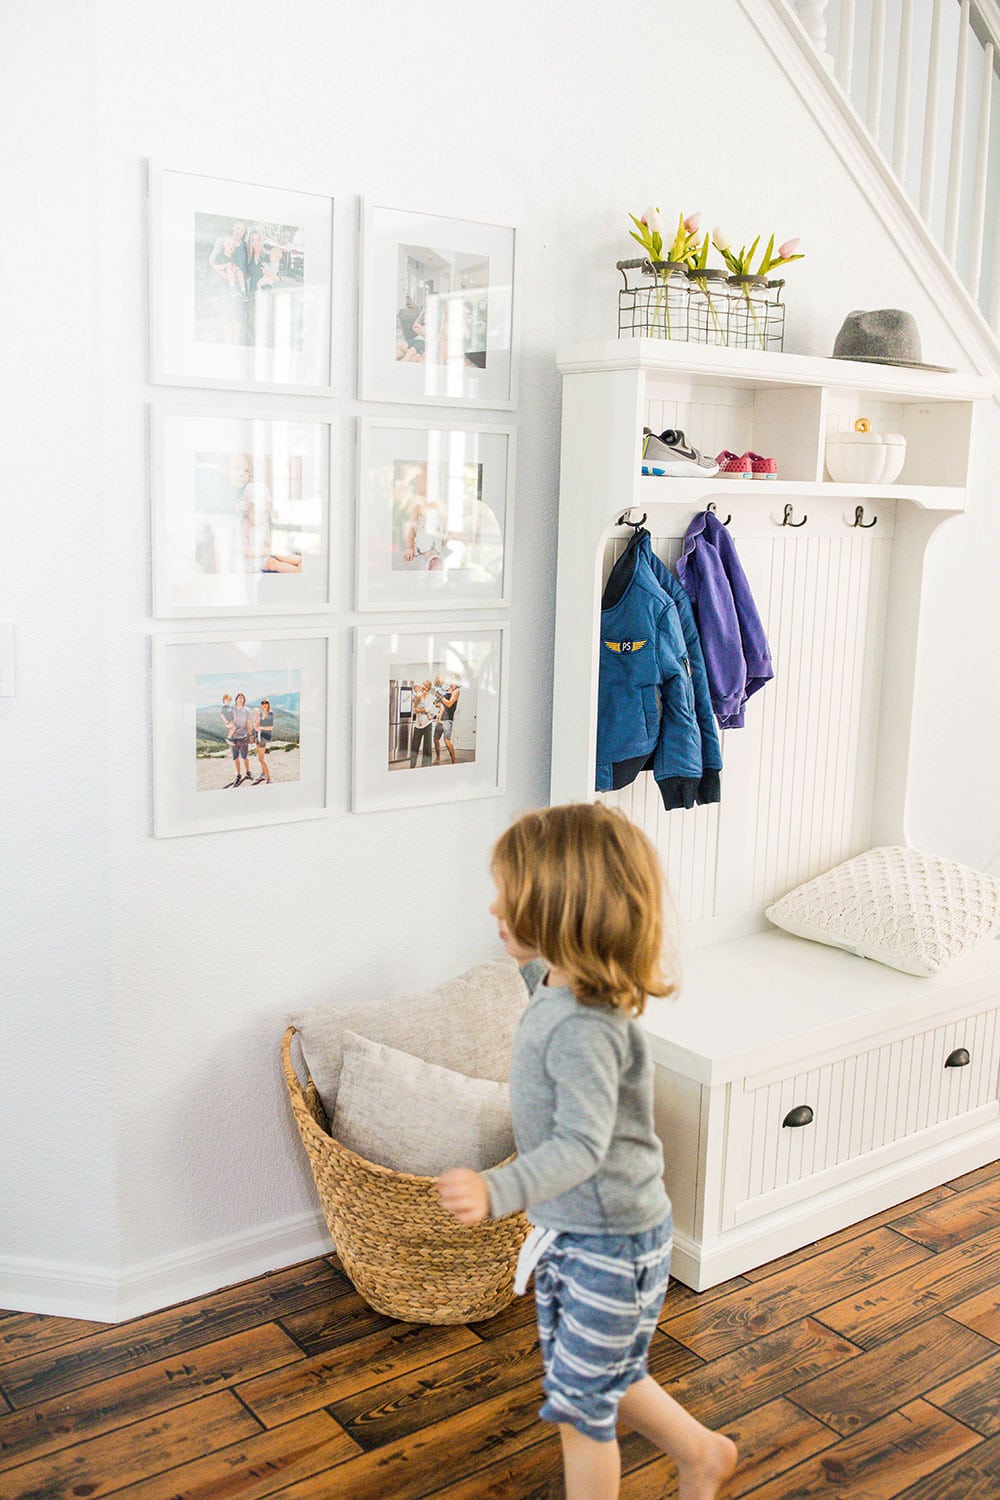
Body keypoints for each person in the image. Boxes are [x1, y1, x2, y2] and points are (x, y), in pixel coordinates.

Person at [438, 804, 738, 1500]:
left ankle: (697, 1455)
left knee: (581, 1406)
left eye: (508, 897)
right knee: (604, 1376)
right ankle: (702, 1453)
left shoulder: (583, 1027)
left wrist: (497, 1192)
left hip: (611, 1245)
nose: (492, 907)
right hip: (584, 1231)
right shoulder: (553, 984)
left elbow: (581, 1144)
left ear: (562, 911)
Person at [236, 481, 301, 574]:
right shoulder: (244, 526)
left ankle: (296, 560)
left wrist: (270, 545)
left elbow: (266, 540)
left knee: (279, 552)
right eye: (258, 512)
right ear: (247, 508)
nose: (262, 516)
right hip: (251, 561)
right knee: (273, 563)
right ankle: (295, 570)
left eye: (265, 512)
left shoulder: (264, 523)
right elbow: (243, 550)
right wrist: (262, 551)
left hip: (263, 553)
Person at [228, 692, 253, 787]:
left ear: (244, 700)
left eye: (242, 698)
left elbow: (249, 723)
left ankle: (248, 772)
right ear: (236, 699)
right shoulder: (232, 709)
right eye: (239, 697)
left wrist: (251, 735)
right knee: (236, 758)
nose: (241, 699)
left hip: (243, 737)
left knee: (245, 757)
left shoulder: (247, 710)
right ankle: (238, 775)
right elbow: (229, 722)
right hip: (234, 738)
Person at [432, 678, 460, 764]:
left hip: (447, 719)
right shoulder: (447, 690)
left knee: (447, 740)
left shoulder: (456, 691)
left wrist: (440, 696)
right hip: (441, 718)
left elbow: (449, 703)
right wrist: (437, 703)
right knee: (436, 739)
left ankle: (454, 760)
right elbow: (438, 704)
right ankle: (438, 758)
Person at [408, 682, 434, 768]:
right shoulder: (417, 695)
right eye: (423, 685)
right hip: (417, 725)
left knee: (427, 747)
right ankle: (412, 766)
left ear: (428, 688)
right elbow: (414, 708)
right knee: (414, 747)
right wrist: (422, 710)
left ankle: (426, 767)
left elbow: (429, 709)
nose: (424, 687)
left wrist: (419, 710)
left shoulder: (430, 697)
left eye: (426, 686)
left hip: (427, 724)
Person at [252, 699, 273, 785]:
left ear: (268, 704)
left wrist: (261, 728)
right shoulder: (260, 714)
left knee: (261, 759)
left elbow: (270, 727)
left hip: (264, 737)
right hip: (258, 736)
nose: (264, 704)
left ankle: (269, 778)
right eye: (263, 703)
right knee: (260, 758)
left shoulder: (270, 714)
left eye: (266, 703)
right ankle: (263, 774)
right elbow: (256, 726)